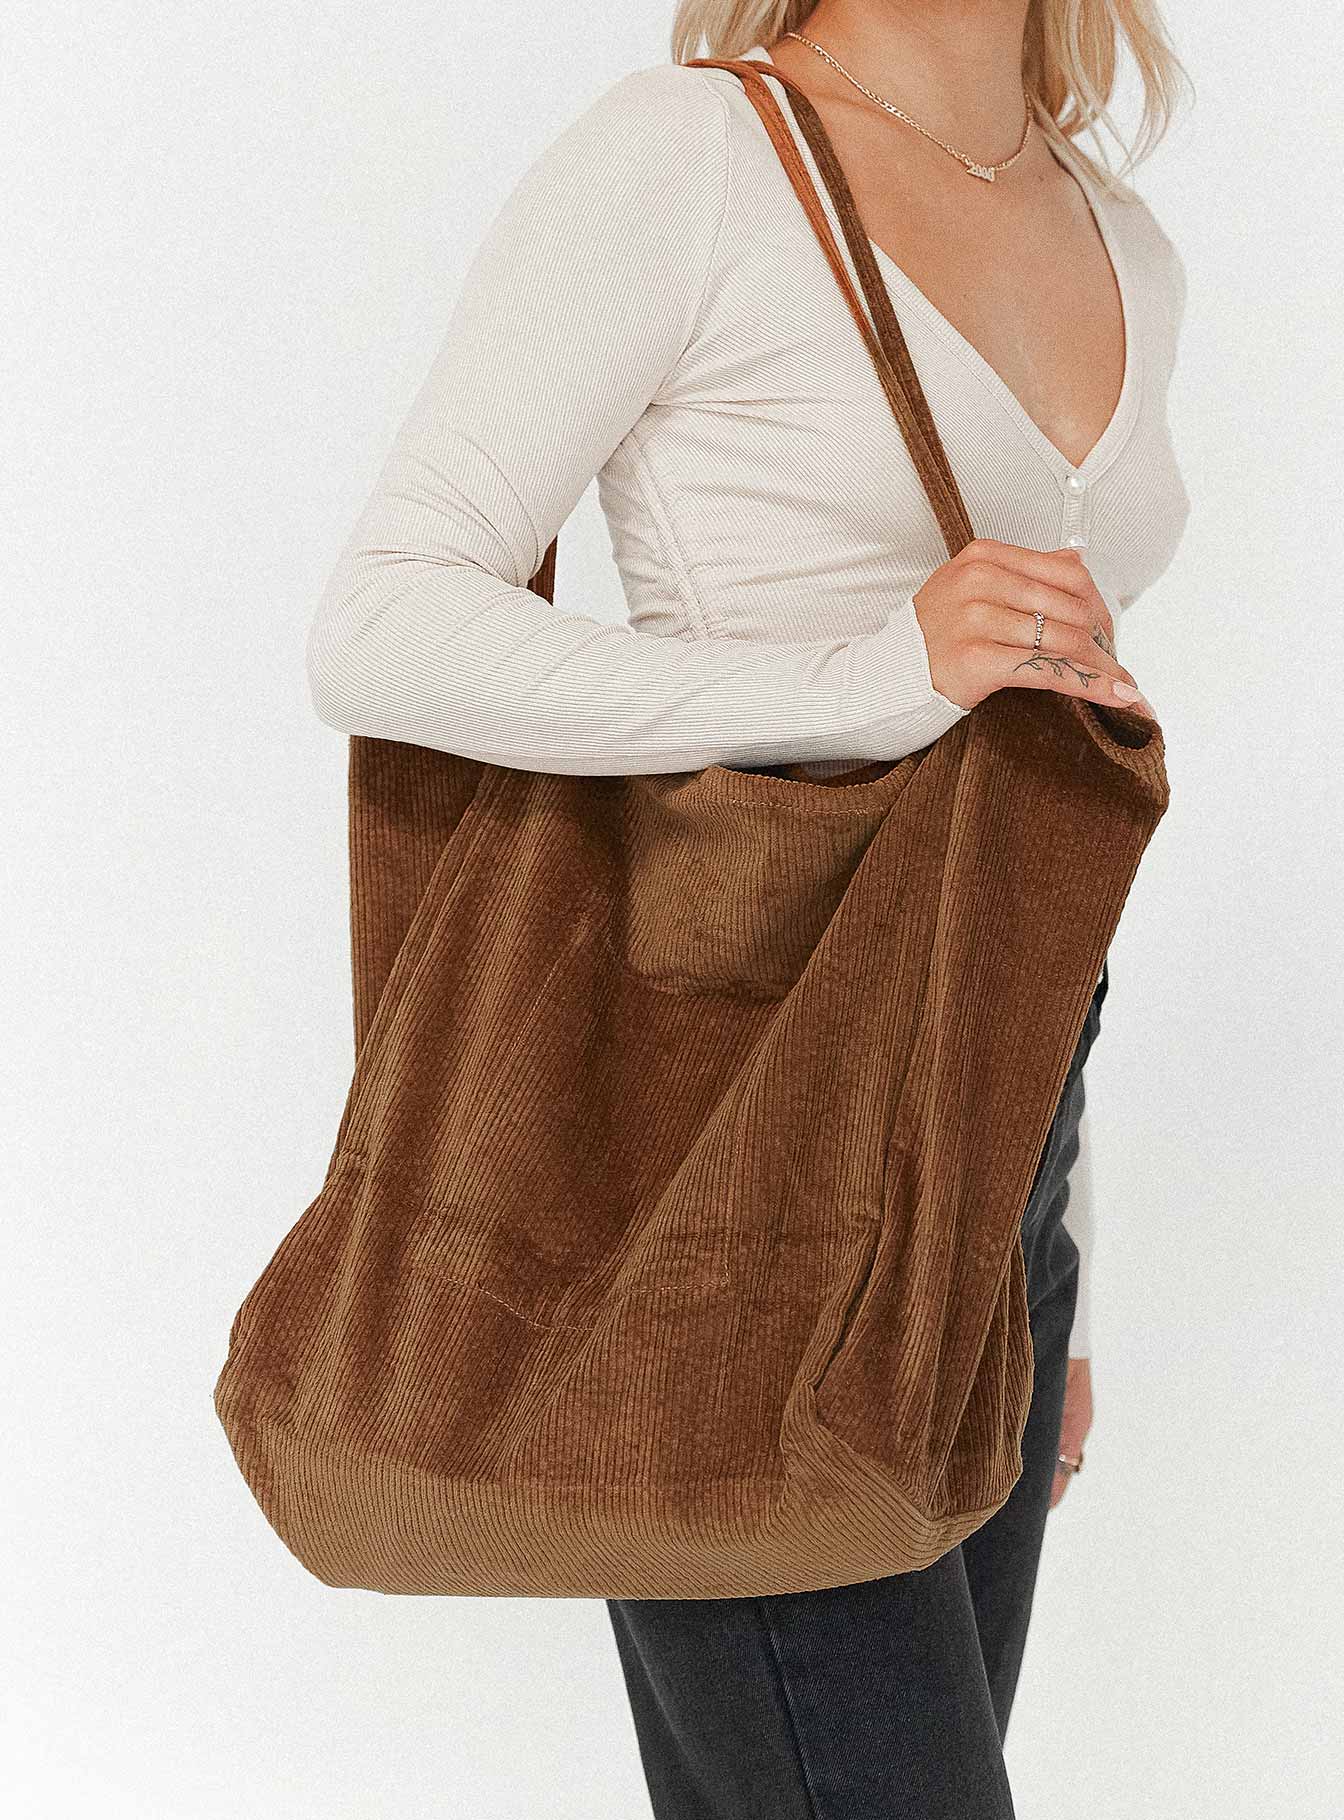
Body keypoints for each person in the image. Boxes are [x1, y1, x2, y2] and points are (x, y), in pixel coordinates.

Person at [305, 1, 1190, 1810]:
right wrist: (867, 682)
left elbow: (1019, 832)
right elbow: (381, 622)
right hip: (736, 1177)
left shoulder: (1120, 229)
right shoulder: (691, 158)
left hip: (995, 1179)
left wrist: (1059, 1283)